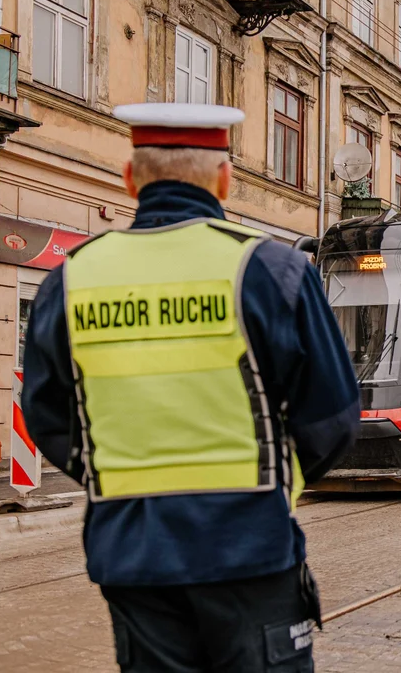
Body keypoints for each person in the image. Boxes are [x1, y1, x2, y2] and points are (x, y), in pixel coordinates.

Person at [22, 103, 361, 671]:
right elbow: (333, 417)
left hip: (131, 555)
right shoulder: (273, 270)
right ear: (224, 179)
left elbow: (47, 414)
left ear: (130, 177)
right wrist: (274, 481)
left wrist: (115, 476)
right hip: (251, 549)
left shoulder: (71, 278)